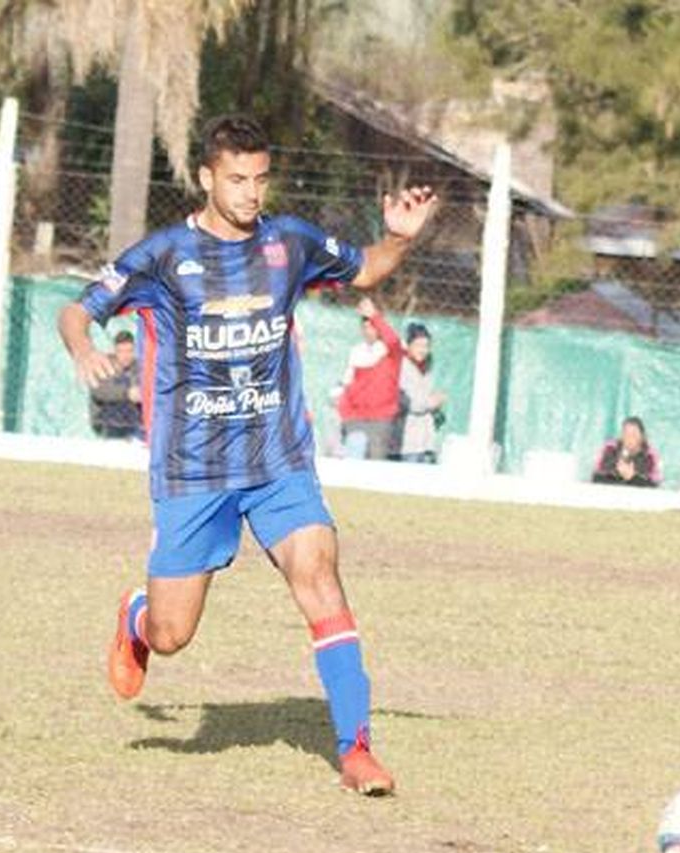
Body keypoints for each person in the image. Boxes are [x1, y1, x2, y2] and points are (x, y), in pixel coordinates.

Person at [56, 114, 438, 796]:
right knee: (174, 635)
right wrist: (84, 347)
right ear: (207, 177)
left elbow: (368, 268)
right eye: (236, 179)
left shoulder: (288, 243)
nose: (250, 192)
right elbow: (77, 311)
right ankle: (137, 618)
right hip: (193, 467)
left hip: (277, 458)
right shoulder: (165, 254)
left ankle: (356, 751)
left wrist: (398, 240)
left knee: (319, 574)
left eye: (260, 178)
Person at [336, 295, 404, 460]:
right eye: (365, 327)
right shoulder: (357, 352)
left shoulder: (390, 351)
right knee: (354, 453)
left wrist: (374, 315)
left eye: (372, 327)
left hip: (381, 418)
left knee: (375, 462)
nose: (369, 331)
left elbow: (393, 340)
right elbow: (348, 384)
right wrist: (345, 411)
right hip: (356, 417)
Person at [396, 322, 446, 463]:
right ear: (408, 345)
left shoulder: (426, 370)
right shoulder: (402, 369)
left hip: (425, 443)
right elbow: (412, 404)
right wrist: (433, 401)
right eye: (419, 345)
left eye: (426, 346)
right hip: (408, 445)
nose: (423, 350)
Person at [88, 330, 141, 439]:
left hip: (132, 421)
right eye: (121, 351)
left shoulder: (139, 367)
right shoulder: (103, 365)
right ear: (115, 351)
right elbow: (99, 391)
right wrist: (127, 393)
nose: (125, 356)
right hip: (106, 421)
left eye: (129, 351)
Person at [591, 416, 662, 487]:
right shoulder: (610, 448)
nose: (629, 438)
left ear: (642, 437)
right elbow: (596, 478)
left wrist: (632, 477)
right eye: (626, 434)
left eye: (634, 434)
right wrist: (617, 474)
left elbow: (654, 486)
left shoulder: (650, 455)